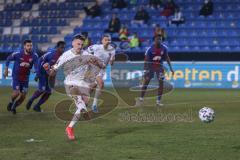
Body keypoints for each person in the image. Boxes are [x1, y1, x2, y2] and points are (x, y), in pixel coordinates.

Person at [49, 34, 105, 140]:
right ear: (73, 43)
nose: (80, 46)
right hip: (71, 83)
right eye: (78, 44)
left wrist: (97, 62)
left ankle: (71, 125)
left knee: (82, 106)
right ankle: (71, 127)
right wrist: (48, 69)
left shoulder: (86, 54)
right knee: (81, 106)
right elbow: (53, 71)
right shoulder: (66, 55)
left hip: (83, 84)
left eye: (82, 44)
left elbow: (102, 66)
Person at [26, 41, 66, 112]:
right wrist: (38, 74)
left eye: (64, 48)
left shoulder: (63, 57)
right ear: (57, 47)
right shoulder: (51, 54)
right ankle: (31, 100)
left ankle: (37, 106)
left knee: (49, 92)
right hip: (42, 72)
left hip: (50, 74)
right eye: (61, 47)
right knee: (42, 89)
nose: (63, 49)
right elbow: (40, 60)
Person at [135, 35, 174, 107]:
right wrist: (145, 70)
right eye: (158, 39)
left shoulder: (164, 48)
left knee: (161, 84)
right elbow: (146, 60)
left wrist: (171, 68)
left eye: (160, 39)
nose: (159, 41)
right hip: (150, 67)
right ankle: (141, 98)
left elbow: (167, 57)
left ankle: (158, 101)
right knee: (146, 83)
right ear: (154, 40)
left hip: (160, 68)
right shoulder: (150, 49)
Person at [4, 39, 38, 114]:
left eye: (31, 46)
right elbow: (8, 59)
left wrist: (35, 71)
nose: (30, 47)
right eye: (28, 46)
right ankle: (11, 102)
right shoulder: (18, 53)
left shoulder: (34, 55)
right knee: (16, 93)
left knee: (23, 96)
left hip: (25, 78)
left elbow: (36, 67)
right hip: (16, 76)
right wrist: (6, 69)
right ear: (24, 46)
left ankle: (14, 107)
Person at [86, 34, 116, 113]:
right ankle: (94, 105)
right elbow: (86, 52)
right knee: (101, 84)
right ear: (102, 41)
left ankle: (84, 99)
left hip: (102, 69)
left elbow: (112, 63)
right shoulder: (96, 47)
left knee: (92, 87)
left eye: (108, 40)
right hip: (94, 68)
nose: (107, 41)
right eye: (105, 40)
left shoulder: (112, 50)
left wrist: (112, 60)